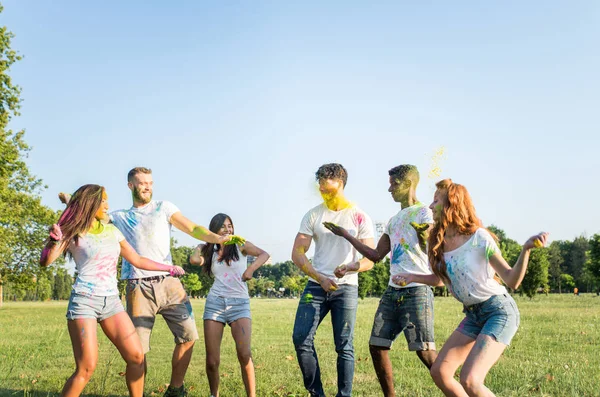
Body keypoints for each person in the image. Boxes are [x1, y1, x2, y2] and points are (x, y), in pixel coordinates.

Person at [59, 167, 243, 397]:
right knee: (138, 350)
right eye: (142, 182)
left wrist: (217, 238)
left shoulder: (163, 208)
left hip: (170, 283)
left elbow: (192, 227)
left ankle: (175, 389)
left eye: (150, 182)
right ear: (131, 186)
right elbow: (88, 212)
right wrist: (70, 202)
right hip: (138, 286)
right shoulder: (118, 217)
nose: (148, 186)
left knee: (188, 336)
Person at [394, 179, 548, 397]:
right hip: (473, 315)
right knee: (440, 371)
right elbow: (441, 280)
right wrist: (411, 277)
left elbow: (511, 280)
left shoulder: (479, 237)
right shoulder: (437, 241)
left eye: (436, 200)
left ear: (452, 204)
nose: (430, 206)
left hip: (498, 312)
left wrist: (526, 250)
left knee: (471, 380)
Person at [41, 184, 185, 397]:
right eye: (103, 201)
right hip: (84, 301)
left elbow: (137, 259)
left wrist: (168, 268)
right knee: (86, 368)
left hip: (111, 303)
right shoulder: (73, 232)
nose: (108, 205)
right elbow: (46, 261)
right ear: (91, 204)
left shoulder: (112, 231)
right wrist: (53, 242)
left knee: (136, 356)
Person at [324, 164, 437, 397]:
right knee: (377, 346)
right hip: (392, 291)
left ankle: (456, 390)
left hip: (416, 290)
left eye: (394, 184)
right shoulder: (394, 220)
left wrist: (425, 234)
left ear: (409, 184)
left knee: (425, 352)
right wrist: (346, 235)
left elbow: (433, 247)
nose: (389, 189)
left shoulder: (424, 213)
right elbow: (375, 255)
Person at [291, 163, 375, 397]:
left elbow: (371, 258)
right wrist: (320, 277)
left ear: (341, 184)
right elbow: (297, 253)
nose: (323, 190)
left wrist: (351, 266)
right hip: (316, 286)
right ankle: (316, 393)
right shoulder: (313, 215)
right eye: (320, 187)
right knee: (301, 339)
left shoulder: (359, 216)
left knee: (344, 346)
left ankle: (343, 395)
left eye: (328, 188)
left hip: (346, 288)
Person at [189, 213, 269, 397]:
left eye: (230, 226)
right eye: (223, 226)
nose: (228, 229)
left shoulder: (240, 245)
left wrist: (250, 269)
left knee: (244, 354)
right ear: (215, 230)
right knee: (212, 361)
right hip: (215, 304)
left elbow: (264, 254)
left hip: (239, 304)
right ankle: (213, 394)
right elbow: (195, 260)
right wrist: (200, 245)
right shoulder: (211, 252)